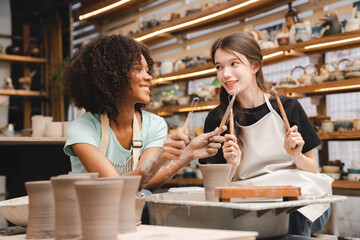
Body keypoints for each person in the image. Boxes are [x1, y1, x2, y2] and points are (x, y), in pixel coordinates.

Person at [200, 32, 333, 237]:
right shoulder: (217, 120)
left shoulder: (288, 107)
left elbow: (312, 169)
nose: (225, 74)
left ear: (255, 66)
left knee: (295, 213)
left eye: (234, 64)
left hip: (301, 197)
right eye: (219, 66)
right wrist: (232, 166)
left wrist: (296, 155)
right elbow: (214, 189)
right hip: (253, 200)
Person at [63, 34, 225, 191]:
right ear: (110, 75)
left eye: (147, 71)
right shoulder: (83, 127)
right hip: (91, 212)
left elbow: (143, 183)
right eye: (137, 69)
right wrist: (159, 160)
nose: (148, 77)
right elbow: (113, 187)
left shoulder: (154, 124)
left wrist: (188, 154)